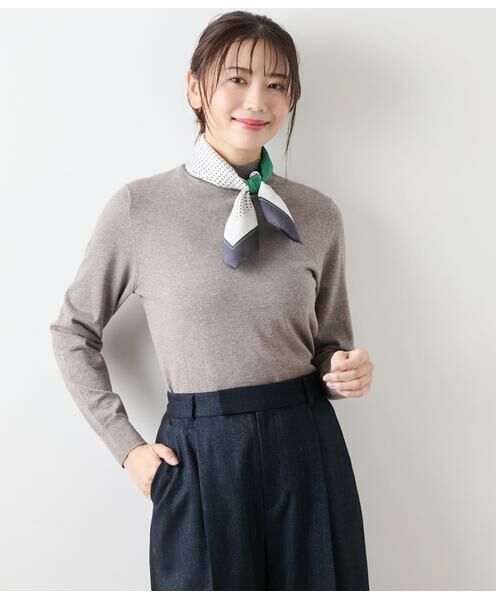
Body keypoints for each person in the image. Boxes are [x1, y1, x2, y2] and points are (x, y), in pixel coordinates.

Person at [49, 10, 374, 591]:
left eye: (276, 84)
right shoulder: (140, 208)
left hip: (307, 447)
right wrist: (128, 449)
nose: (257, 100)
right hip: (199, 457)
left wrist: (344, 369)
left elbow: (329, 343)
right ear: (195, 87)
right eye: (237, 79)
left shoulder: (318, 214)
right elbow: (72, 332)